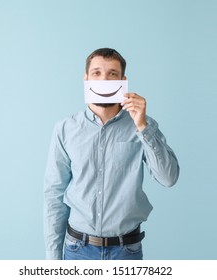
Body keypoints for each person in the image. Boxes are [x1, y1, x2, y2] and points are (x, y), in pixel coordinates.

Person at [44, 48, 179, 260]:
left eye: (112, 74)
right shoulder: (65, 129)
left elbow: (169, 178)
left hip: (126, 251)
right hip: (77, 251)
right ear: (86, 78)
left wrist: (143, 127)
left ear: (123, 80)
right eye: (97, 73)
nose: (104, 80)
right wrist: (53, 260)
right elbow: (54, 195)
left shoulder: (143, 125)